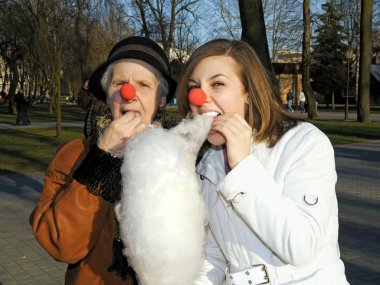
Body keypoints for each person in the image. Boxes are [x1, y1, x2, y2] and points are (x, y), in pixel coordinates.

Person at [176, 39, 349, 285]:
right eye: (194, 87)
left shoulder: (304, 142)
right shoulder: (207, 166)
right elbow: (215, 255)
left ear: (247, 92)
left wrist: (243, 165)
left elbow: (301, 246)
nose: (200, 97)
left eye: (217, 84)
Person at [29, 36, 177, 285]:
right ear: (107, 95)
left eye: (143, 84)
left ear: (160, 99)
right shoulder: (74, 155)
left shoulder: (181, 161)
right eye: (119, 83)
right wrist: (102, 158)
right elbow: (61, 245)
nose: (128, 94)